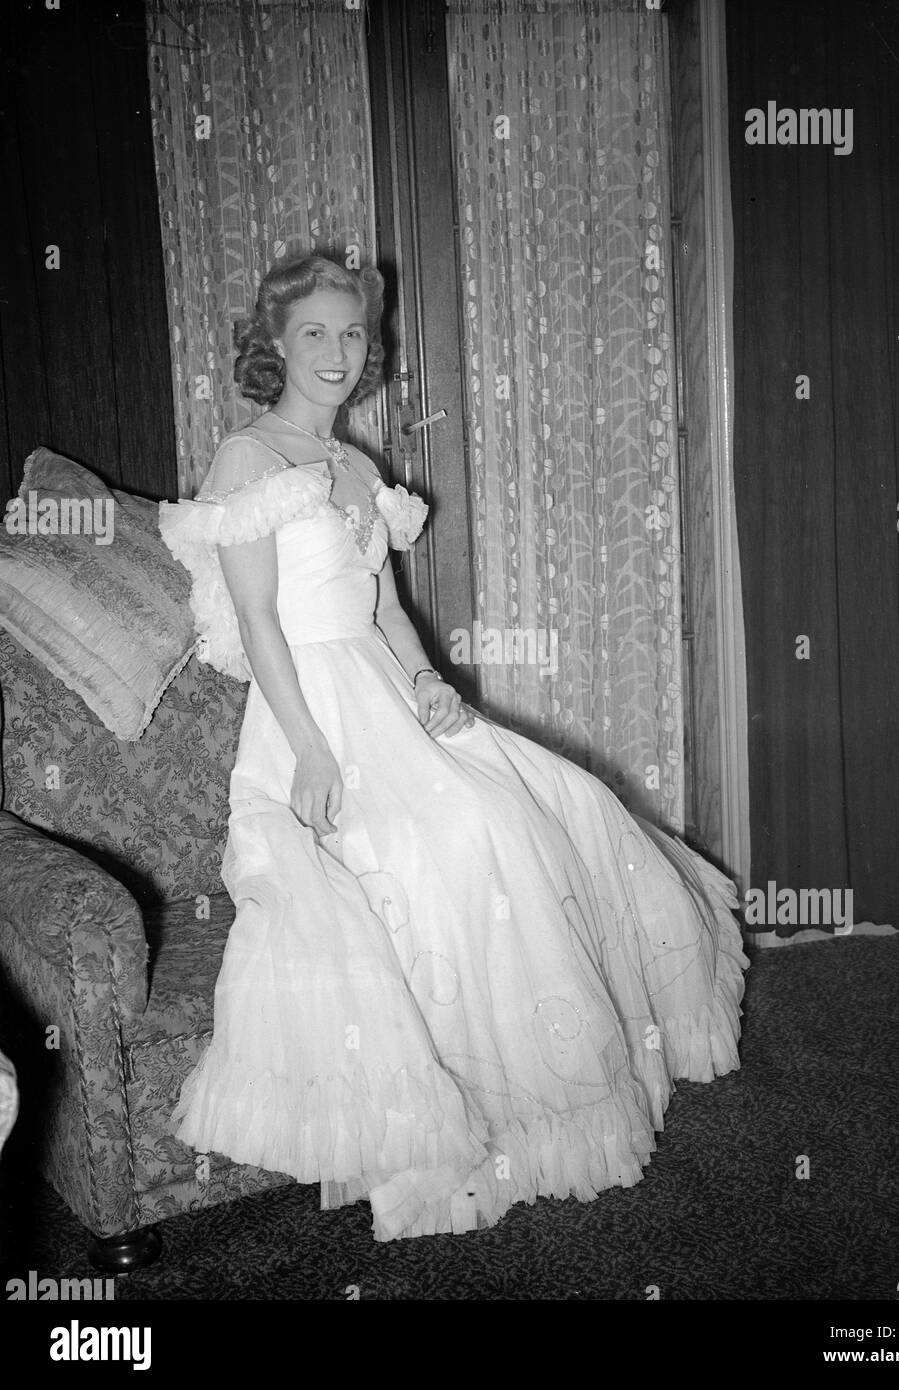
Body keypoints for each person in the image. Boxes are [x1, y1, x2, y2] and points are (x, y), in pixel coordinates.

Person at [158, 252, 748, 1242]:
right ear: (273, 346)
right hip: (310, 714)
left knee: (555, 802)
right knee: (458, 841)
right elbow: (259, 620)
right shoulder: (246, 461)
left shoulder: (359, 470)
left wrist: (430, 678)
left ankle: (561, 1085)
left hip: (388, 693)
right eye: (315, 333)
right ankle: (463, 1123)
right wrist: (308, 748)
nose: (338, 353)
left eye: (353, 334)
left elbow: (387, 609)